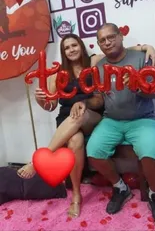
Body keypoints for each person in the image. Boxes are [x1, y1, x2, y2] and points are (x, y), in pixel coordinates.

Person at [17, 33, 155, 218]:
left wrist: (146, 47)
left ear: (81, 46)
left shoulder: (94, 62)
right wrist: (39, 99)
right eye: (67, 47)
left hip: (91, 116)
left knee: (80, 114)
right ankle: (76, 195)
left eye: (74, 45)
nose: (71, 49)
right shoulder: (56, 75)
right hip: (66, 120)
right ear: (63, 52)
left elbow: (116, 49)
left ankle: (40, 158)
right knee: (75, 140)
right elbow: (49, 106)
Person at [86, 23, 155, 219]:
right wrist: (84, 103)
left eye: (111, 37)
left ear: (120, 36)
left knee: (150, 153)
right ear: (99, 45)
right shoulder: (99, 67)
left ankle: (153, 193)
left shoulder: (142, 58)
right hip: (112, 120)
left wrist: (137, 87)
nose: (107, 42)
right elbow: (100, 99)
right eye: (102, 40)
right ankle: (120, 187)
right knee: (93, 152)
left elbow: (153, 93)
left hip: (142, 118)